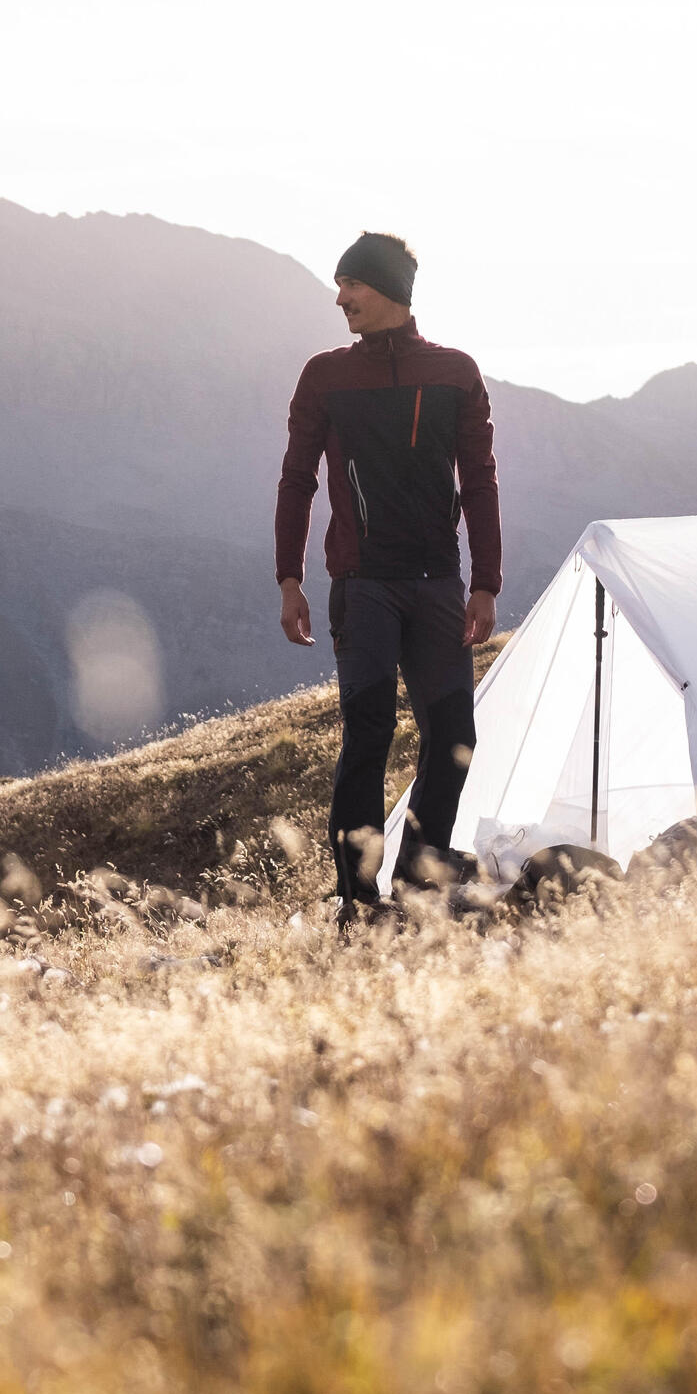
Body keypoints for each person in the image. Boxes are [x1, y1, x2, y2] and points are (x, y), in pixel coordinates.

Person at [274, 231, 500, 914]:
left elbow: (480, 480)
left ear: (391, 291)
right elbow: (296, 480)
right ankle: (357, 897)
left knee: (453, 736)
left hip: (439, 584)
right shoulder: (325, 375)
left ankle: (419, 884)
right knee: (367, 731)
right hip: (362, 584)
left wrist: (485, 581)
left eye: (353, 285)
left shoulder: (456, 372)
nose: (341, 298)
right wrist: (290, 577)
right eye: (338, 287)